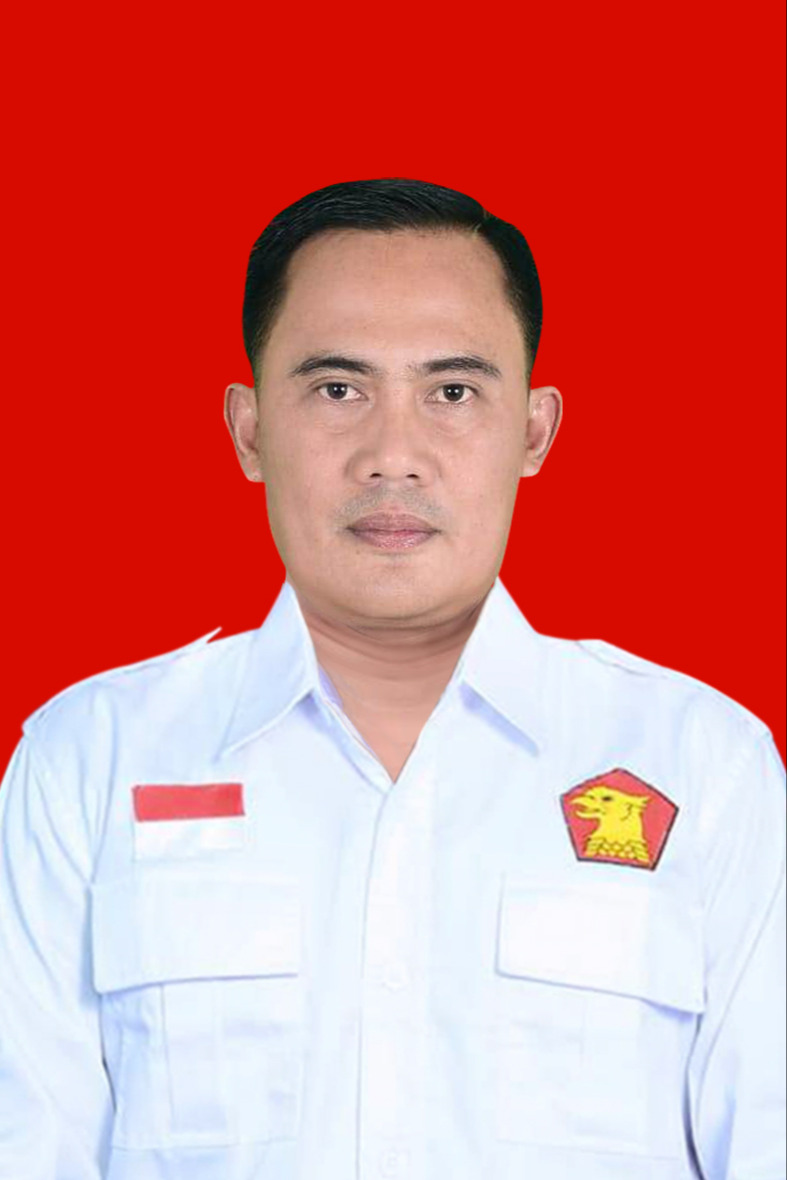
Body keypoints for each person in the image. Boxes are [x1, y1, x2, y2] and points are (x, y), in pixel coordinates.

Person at [0, 178, 783, 1180]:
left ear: (534, 431)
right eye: (338, 389)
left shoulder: (705, 764)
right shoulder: (90, 761)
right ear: (248, 429)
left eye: (451, 392)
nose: (393, 456)